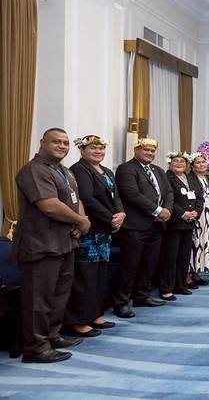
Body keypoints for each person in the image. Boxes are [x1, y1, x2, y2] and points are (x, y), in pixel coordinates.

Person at [13, 128, 91, 363]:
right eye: (56, 141)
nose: (62, 146)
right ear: (42, 143)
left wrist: (82, 222)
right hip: (40, 245)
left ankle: (52, 335)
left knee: (58, 295)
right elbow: (49, 205)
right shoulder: (33, 170)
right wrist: (80, 221)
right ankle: (35, 347)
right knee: (39, 299)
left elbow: (76, 201)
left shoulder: (63, 171)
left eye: (66, 143)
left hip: (64, 243)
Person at [64, 135, 124, 338]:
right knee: (85, 276)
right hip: (91, 230)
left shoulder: (107, 171)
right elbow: (87, 199)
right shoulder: (79, 169)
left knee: (100, 275)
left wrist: (121, 214)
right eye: (93, 148)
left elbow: (117, 196)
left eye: (101, 148)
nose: (98, 151)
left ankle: (95, 313)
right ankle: (79, 320)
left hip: (105, 232)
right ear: (82, 150)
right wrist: (110, 218)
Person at [114, 138, 174, 318]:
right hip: (135, 226)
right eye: (146, 150)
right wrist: (157, 211)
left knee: (149, 264)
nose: (150, 153)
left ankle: (142, 296)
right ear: (137, 150)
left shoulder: (158, 170)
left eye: (152, 151)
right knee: (130, 265)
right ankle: (121, 302)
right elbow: (132, 194)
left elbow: (169, 192)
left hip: (156, 227)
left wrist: (168, 211)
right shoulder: (126, 169)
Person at [156, 152, 203, 301]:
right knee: (170, 257)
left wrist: (197, 211)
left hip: (189, 223)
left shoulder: (190, 177)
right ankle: (166, 288)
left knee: (184, 257)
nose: (179, 164)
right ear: (170, 163)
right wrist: (183, 213)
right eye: (176, 161)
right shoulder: (166, 177)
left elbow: (200, 196)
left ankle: (181, 285)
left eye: (182, 161)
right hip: (174, 222)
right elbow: (167, 199)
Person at [188, 152, 209, 286]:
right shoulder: (190, 179)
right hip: (197, 213)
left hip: (208, 214)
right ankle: (188, 274)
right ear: (192, 166)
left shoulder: (208, 178)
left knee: (204, 242)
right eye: (198, 162)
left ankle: (196, 273)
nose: (201, 164)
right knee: (195, 242)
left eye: (203, 162)